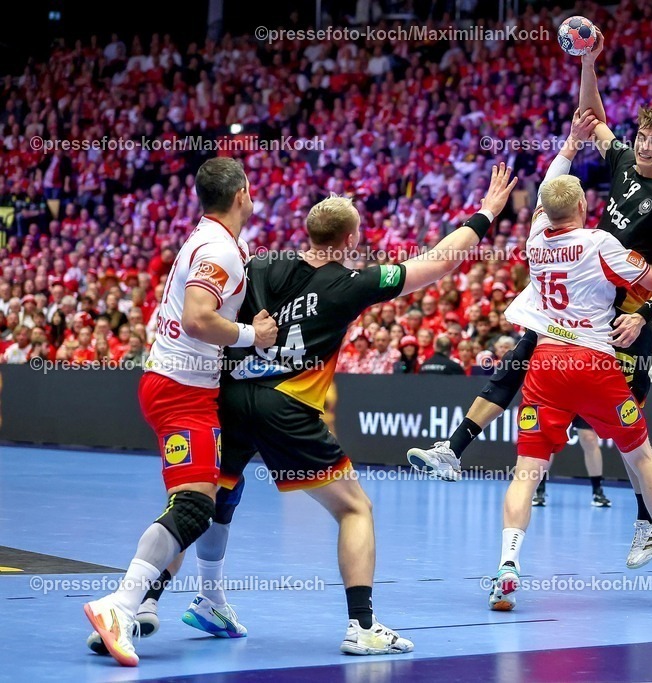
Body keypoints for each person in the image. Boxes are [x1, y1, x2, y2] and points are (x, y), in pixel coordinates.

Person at [107, 165, 516, 657]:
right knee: (355, 508)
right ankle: (362, 626)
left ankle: (144, 602)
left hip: (230, 399)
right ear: (348, 239)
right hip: (289, 408)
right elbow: (438, 263)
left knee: (207, 502)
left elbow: (207, 312)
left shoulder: (253, 265)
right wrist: (487, 212)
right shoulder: (353, 282)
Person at [410, 34, 652, 569]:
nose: (646, 145)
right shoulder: (625, 166)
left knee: (634, 437)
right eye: (643, 136)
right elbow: (590, 114)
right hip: (587, 299)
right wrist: (588, 61)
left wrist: (647, 313)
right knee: (522, 357)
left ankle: (646, 526)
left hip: (627, 315)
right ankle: (454, 450)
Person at [488, 150, 652, 612]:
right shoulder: (600, 243)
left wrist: (567, 149)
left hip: (546, 363)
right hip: (593, 360)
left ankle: (507, 565)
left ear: (544, 211)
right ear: (585, 208)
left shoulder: (534, 242)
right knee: (642, 457)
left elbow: (551, 189)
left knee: (527, 470)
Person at [83, 157, 278, 667]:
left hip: (178, 383)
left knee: (192, 506)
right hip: (181, 390)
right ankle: (120, 606)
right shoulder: (218, 248)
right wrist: (250, 336)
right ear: (242, 194)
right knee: (194, 509)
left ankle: (147, 604)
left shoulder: (214, 239)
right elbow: (197, 318)